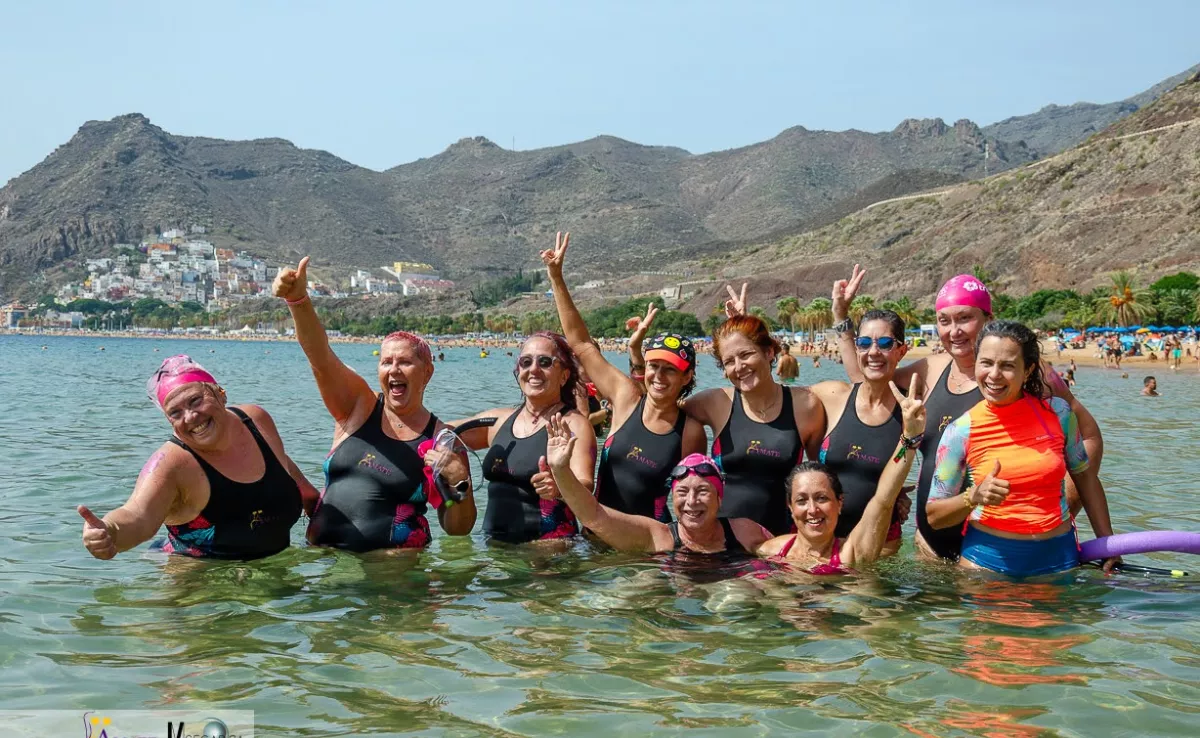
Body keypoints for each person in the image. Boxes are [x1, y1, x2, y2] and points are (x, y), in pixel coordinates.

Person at [831, 268, 1104, 560]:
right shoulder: (929, 371)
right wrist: (841, 317)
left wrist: (1061, 510)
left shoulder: (1028, 375)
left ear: (989, 319)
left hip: (999, 552)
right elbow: (866, 378)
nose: (954, 331)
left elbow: (1088, 438)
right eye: (944, 321)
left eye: (964, 318)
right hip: (931, 550)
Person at [273, 258, 476, 551]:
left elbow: (458, 529)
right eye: (386, 362)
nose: (394, 370)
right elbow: (321, 357)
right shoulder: (357, 407)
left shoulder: (442, 441)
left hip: (392, 566)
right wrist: (297, 300)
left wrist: (460, 484)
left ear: (427, 373)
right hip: (324, 562)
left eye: (405, 362)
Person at [926, 321, 1120, 576]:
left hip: (1058, 562)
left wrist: (1107, 543)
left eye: (1007, 365)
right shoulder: (960, 431)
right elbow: (934, 516)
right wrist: (972, 496)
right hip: (985, 569)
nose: (994, 374)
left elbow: (1085, 478)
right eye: (986, 363)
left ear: (1027, 370)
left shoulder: (1058, 413)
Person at [79, 356, 318, 560]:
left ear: (221, 394)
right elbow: (138, 515)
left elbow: (284, 469)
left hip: (272, 574)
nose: (190, 416)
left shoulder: (254, 419)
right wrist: (110, 531)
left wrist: (318, 509)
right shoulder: (171, 463)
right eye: (175, 413)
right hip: (199, 582)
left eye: (196, 401)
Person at [542, 232, 706, 522]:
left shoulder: (689, 431)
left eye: (670, 369)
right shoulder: (626, 397)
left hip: (649, 542)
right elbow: (581, 344)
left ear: (687, 376)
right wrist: (556, 277)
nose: (659, 375)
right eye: (654, 366)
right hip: (597, 534)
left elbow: (692, 496)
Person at [683, 285, 826, 535]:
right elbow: (662, 409)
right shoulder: (716, 402)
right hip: (721, 541)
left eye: (746, 354)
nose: (739, 367)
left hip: (779, 542)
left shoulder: (805, 405)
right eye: (729, 361)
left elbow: (823, 475)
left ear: (769, 352)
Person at [757, 378, 924, 572]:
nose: (812, 509)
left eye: (822, 498)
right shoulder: (770, 550)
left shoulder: (851, 555)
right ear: (790, 507)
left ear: (840, 503)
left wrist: (909, 439)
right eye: (801, 500)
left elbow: (883, 500)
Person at [544, 419, 769, 555]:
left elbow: (785, 550)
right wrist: (560, 470)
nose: (691, 502)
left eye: (702, 491)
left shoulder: (743, 532)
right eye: (682, 492)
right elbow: (594, 516)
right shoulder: (657, 537)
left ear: (719, 498)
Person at [453, 331, 596, 543]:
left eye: (545, 362)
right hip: (494, 547)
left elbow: (586, 485)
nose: (533, 369)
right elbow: (442, 432)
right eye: (526, 362)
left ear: (564, 376)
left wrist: (560, 487)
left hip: (549, 550)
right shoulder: (499, 421)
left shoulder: (574, 424)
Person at [809, 310, 917, 555]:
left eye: (885, 343)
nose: (873, 352)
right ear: (857, 348)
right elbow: (775, 400)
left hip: (879, 548)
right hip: (823, 540)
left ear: (901, 351)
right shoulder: (832, 396)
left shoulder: (911, 410)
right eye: (865, 343)